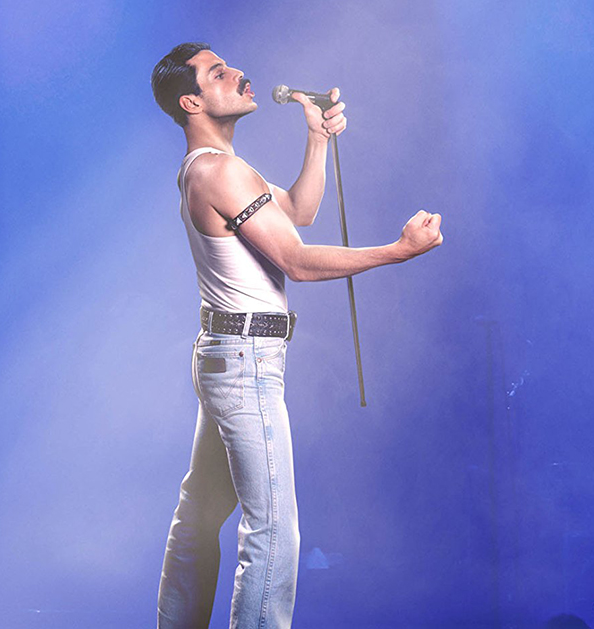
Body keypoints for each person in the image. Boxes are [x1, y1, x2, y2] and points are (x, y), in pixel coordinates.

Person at [150, 42, 443, 629]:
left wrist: (317, 139)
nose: (238, 73)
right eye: (218, 73)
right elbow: (299, 261)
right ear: (191, 102)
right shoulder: (219, 171)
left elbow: (299, 212)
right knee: (272, 531)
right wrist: (398, 250)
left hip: (231, 355)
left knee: (199, 516)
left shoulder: (220, 167)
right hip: (245, 361)